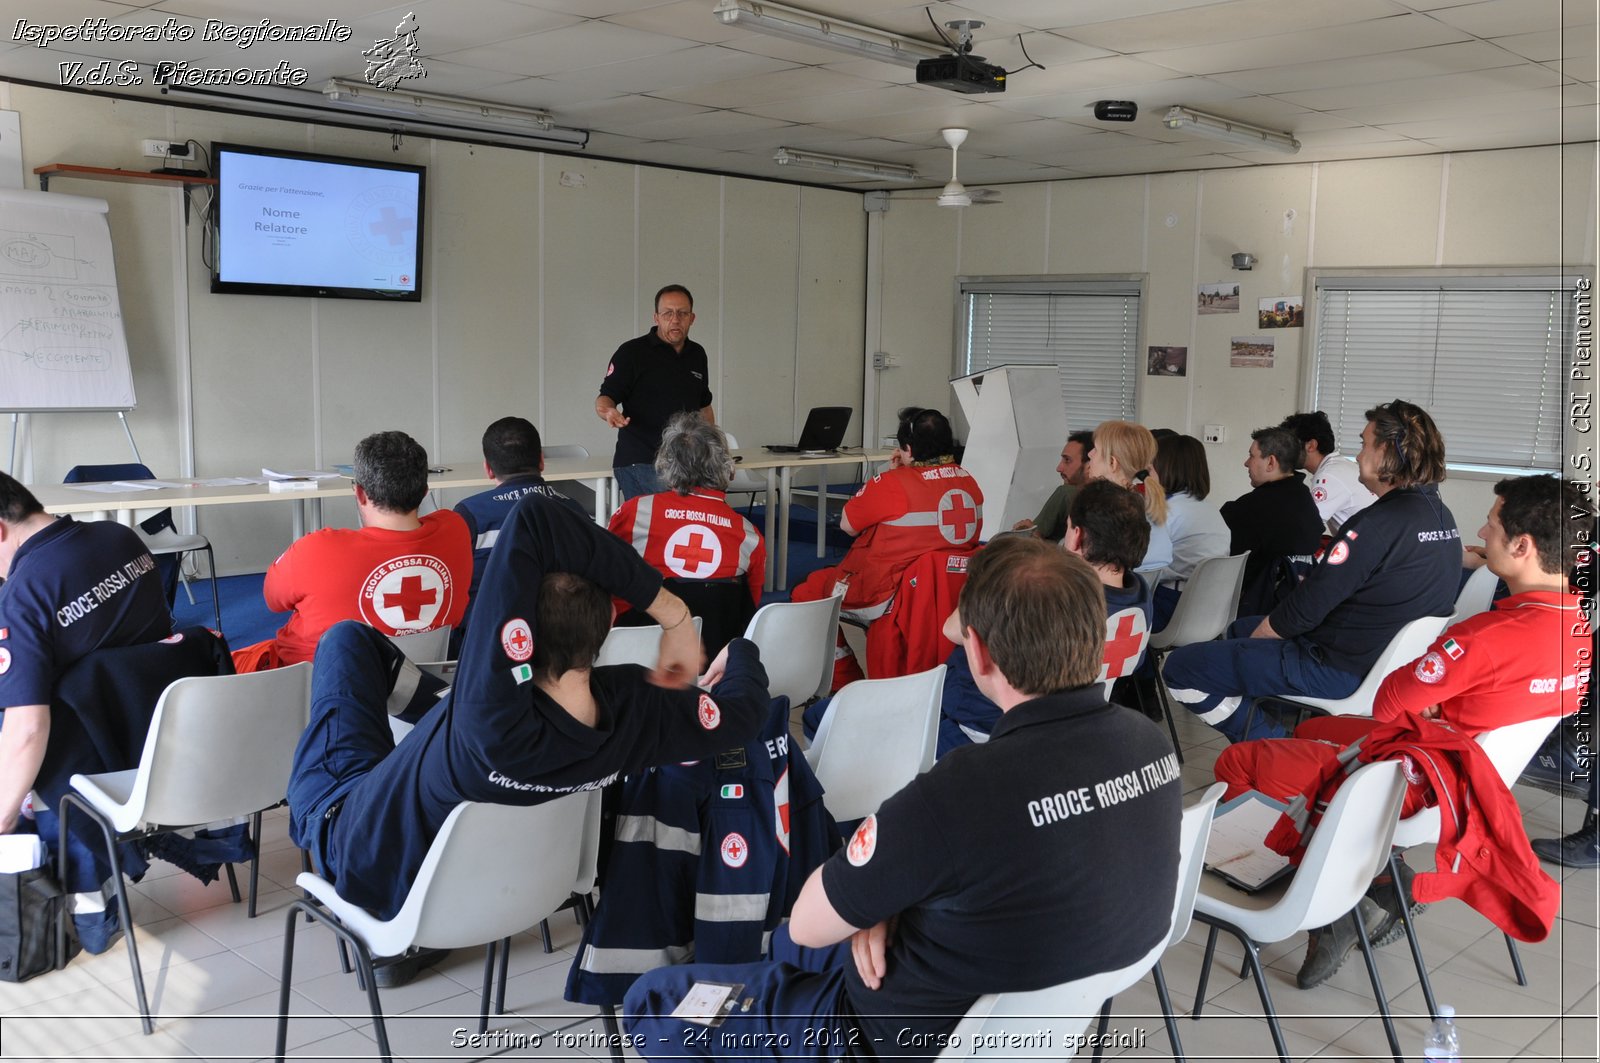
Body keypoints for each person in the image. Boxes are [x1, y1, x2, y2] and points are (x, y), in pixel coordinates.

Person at [623, 537, 1182, 1063]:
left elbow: (811, 925)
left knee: (653, 1002)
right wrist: (885, 904)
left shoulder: (962, 789)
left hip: (872, 1035)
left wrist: (877, 902)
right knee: (798, 951)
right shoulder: (1149, 744)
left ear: (980, 655)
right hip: (1022, 1024)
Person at [285, 494, 771, 984]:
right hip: (515, 886)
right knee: (442, 708)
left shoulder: (488, 709)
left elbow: (536, 518)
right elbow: (744, 716)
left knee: (346, 639)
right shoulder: (639, 709)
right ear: (603, 629)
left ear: (510, 645)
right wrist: (741, 651)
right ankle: (438, 710)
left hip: (355, 843)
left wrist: (673, 612)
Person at [1213, 475, 1590, 986]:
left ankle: (1327, 909)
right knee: (1319, 726)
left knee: (1239, 761)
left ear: (1522, 546)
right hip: (1470, 783)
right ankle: (1380, 876)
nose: (1481, 529)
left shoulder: (1486, 636)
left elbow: (1390, 701)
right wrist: (1441, 712)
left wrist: (1433, 710)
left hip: (1414, 781)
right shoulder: (1579, 629)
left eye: (1493, 524)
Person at [1163, 400, 1461, 743]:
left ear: (1388, 452)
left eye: (1365, 444)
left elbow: (1305, 608)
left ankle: (1271, 743)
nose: (1359, 456)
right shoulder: (1440, 516)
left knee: (1181, 667)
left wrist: (1256, 644)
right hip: (1383, 662)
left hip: (1336, 668)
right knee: (1239, 629)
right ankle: (1269, 723)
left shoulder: (1374, 526)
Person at [0, 473, 172, 838]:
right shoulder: (122, 538)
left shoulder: (23, 595)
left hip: (88, 768)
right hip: (170, 743)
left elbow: (28, 729)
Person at [937, 480, 1153, 755]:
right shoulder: (1139, 595)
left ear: (1076, 536)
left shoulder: (1052, 594)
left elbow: (953, 630)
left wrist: (991, 575)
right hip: (1066, 726)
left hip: (980, 725)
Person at [233, 431, 473, 672]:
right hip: (419, 680)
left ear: (359, 493)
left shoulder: (315, 550)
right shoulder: (456, 529)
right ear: (424, 492)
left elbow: (273, 600)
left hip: (317, 686)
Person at [791, 407, 983, 691]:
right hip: (948, 593)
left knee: (806, 593)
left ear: (907, 448)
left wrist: (890, 476)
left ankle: (846, 682)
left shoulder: (894, 484)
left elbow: (847, 524)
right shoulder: (970, 481)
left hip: (887, 594)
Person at [608, 413, 766, 657]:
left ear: (666, 463)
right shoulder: (749, 535)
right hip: (713, 663)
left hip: (637, 659)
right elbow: (749, 609)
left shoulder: (634, 512)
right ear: (725, 465)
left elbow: (606, 581)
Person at [452, 416, 586, 653]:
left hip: (487, 641)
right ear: (542, 461)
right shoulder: (573, 509)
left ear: (488, 468)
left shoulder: (470, 513)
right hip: (562, 640)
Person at [596, 284, 714, 501]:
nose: (675, 319)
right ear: (656, 317)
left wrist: (714, 451)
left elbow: (704, 406)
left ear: (692, 318)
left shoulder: (697, 354)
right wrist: (608, 411)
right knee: (662, 527)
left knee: (695, 522)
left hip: (687, 462)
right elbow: (605, 397)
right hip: (641, 461)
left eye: (682, 313)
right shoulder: (632, 353)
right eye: (668, 313)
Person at [1220, 426, 1326, 617]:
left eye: (1252, 456)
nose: (1246, 463)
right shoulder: (1305, 501)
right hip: (1293, 610)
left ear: (1270, 462)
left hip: (1249, 611)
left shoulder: (1249, 509)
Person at [1149, 433, 1231, 629]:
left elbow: (1144, 568)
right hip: (1210, 611)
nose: (1147, 477)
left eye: (1150, 470)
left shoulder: (1164, 511)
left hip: (1171, 608)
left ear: (1165, 470)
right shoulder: (1211, 510)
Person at [1084, 420, 1173, 575]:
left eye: (1096, 450)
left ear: (1112, 463)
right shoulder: (1147, 503)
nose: (1089, 454)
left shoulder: (1102, 512)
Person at [1280, 410, 1376, 536]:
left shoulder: (1329, 475)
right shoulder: (1340, 466)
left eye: (1289, 445)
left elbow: (1303, 527)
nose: (1284, 452)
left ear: (1311, 445)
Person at [1012, 430, 1093, 542]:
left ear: (1089, 465)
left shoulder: (1066, 493)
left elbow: (1027, 545)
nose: (1059, 468)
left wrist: (1030, 533)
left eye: (1067, 460)